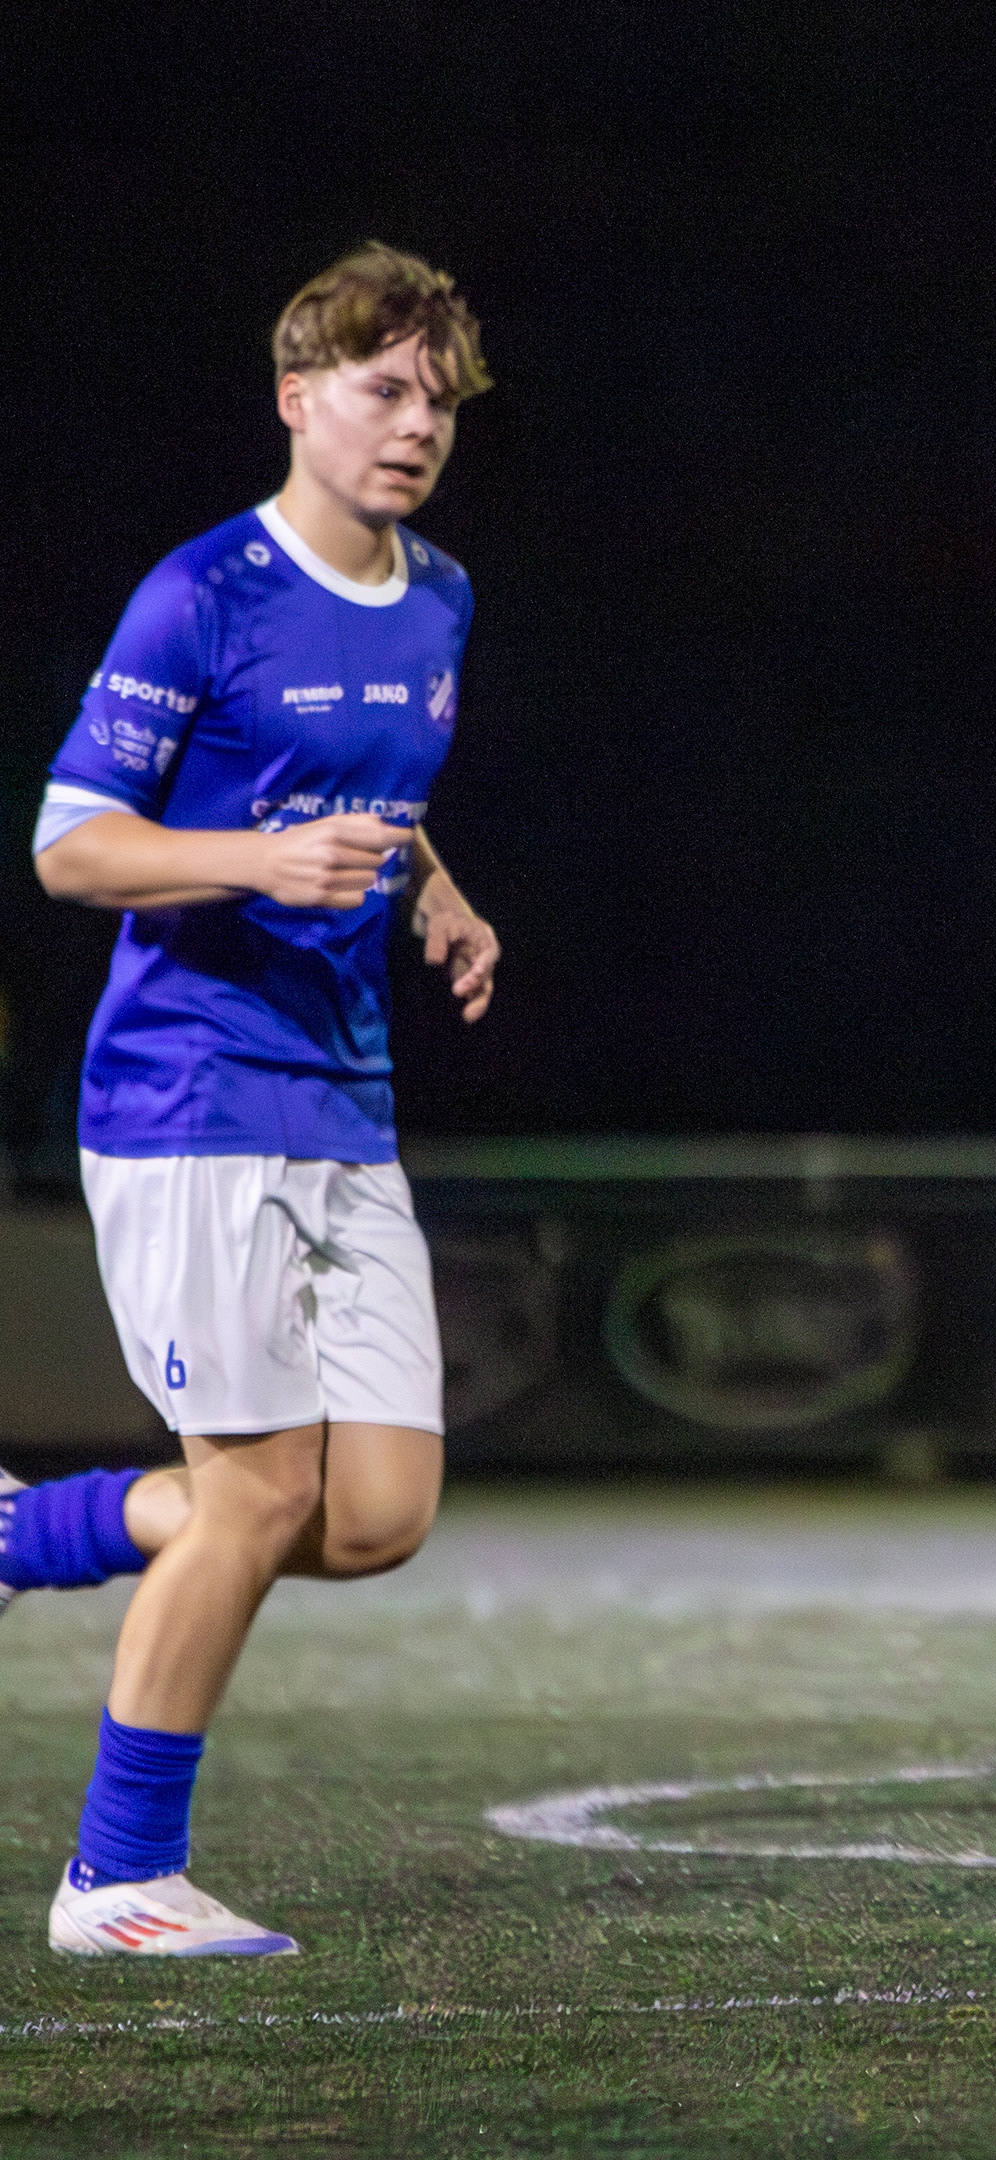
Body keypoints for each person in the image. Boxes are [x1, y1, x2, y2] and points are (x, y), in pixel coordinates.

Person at [1, 245, 502, 1959]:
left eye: (440, 399)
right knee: (260, 1493)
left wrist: (434, 887)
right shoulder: (199, 595)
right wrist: (258, 861)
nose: (417, 423)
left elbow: (373, 791)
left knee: (375, 1517)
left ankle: (30, 1529)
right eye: (385, 389)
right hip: (191, 1091)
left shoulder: (440, 598)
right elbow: (72, 846)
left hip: (344, 1099)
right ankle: (115, 1879)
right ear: (300, 399)